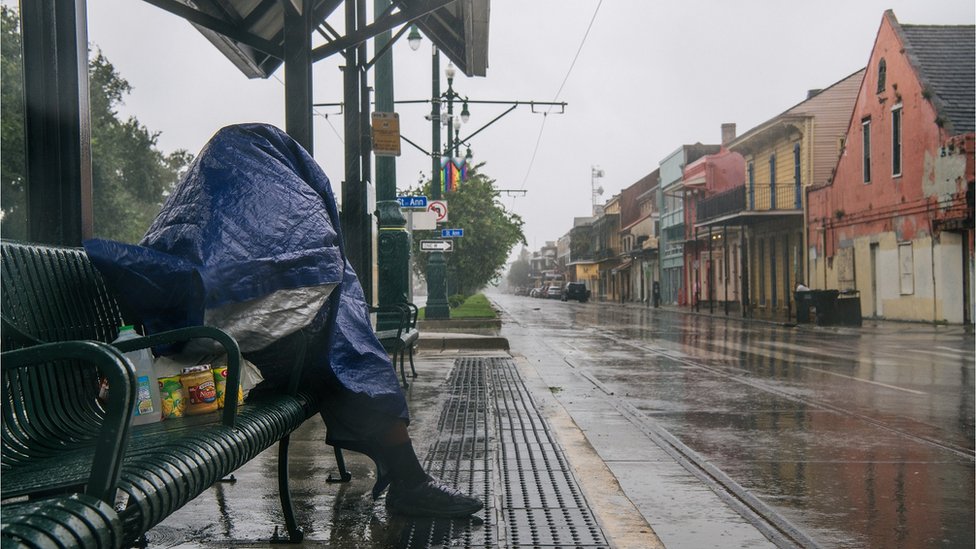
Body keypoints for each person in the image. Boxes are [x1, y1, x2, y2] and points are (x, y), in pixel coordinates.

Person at [85, 124, 482, 518]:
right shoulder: (255, 210)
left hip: (226, 361)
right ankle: (409, 480)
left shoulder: (197, 209)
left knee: (336, 346)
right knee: (342, 348)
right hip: (227, 365)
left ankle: (408, 478)